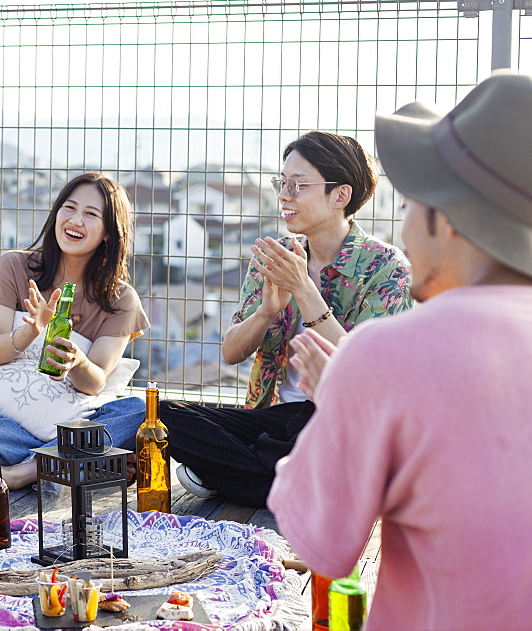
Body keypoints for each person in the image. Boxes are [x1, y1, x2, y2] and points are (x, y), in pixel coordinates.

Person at [269, 73, 532, 630]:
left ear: (450, 219)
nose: (405, 231)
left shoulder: (389, 353)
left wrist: (343, 398)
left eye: (412, 205)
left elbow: (321, 541)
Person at [161, 131, 414, 508]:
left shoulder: (386, 268)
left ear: (339, 196)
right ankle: (296, 481)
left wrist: (305, 291)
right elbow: (231, 352)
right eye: (282, 183)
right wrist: (265, 312)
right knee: (164, 418)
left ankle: (239, 472)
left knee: (303, 429)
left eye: (298, 185)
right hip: (273, 418)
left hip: (339, 420)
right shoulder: (276, 254)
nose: (284, 195)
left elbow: (369, 372)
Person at [0, 172, 150, 489]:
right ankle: (89, 464)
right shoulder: (13, 267)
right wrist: (32, 330)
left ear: (108, 233)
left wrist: (77, 361)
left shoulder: (120, 299)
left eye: (91, 214)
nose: (75, 220)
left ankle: (23, 472)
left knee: (141, 411)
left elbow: (96, 384)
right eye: (69, 208)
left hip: (71, 425)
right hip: (6, 425)